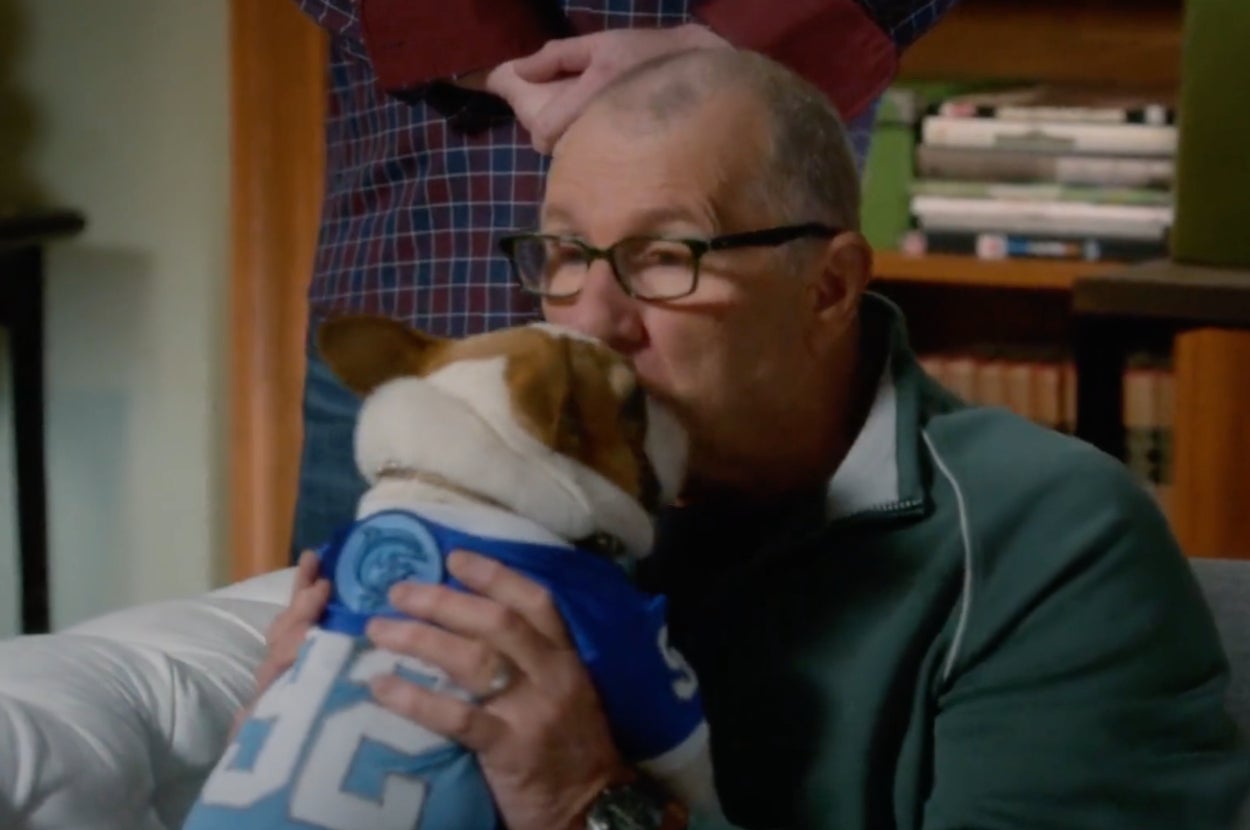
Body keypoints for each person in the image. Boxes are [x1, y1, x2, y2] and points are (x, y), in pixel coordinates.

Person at [254, 46, 1250, 830]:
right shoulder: (528, 506)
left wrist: (590, 802)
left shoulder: (1052, 539)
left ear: (827, 287)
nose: (589, 320)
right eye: (562, 254)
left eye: (663, 257)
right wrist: (312, 729)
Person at [288, 0, 957, 560]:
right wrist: (483, 45)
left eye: (665, 250)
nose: (586, 320)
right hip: (436, 278)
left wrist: (730, 47)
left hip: (745, 329)